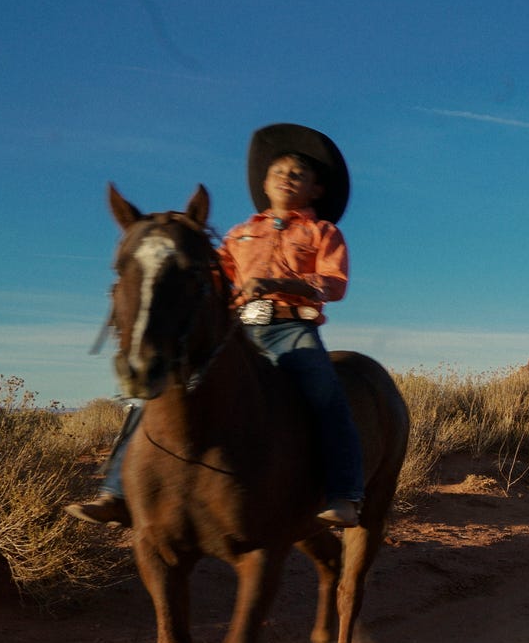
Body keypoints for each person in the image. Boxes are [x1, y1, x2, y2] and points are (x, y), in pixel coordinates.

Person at [68, 124, 367, 528]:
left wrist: (279, 284)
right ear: (264, 183)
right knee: (156, 388)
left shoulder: (323, 232)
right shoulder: (240, 234)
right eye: (278, 172)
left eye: (297, 174)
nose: (285, 178)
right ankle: (117, 493)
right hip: (238, 327)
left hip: (290, 330)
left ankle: (343, 493)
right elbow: (212, 276)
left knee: (325, 397)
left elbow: (333, 284)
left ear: (316, 190)